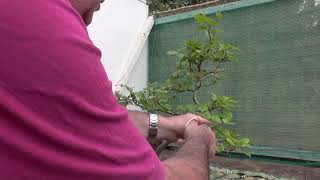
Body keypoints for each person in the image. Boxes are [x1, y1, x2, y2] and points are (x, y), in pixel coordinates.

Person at [0, 0, 216, 179]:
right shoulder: (41, 20)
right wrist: (199, 140)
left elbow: (76, 119)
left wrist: (165, 124)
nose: (89, 20)